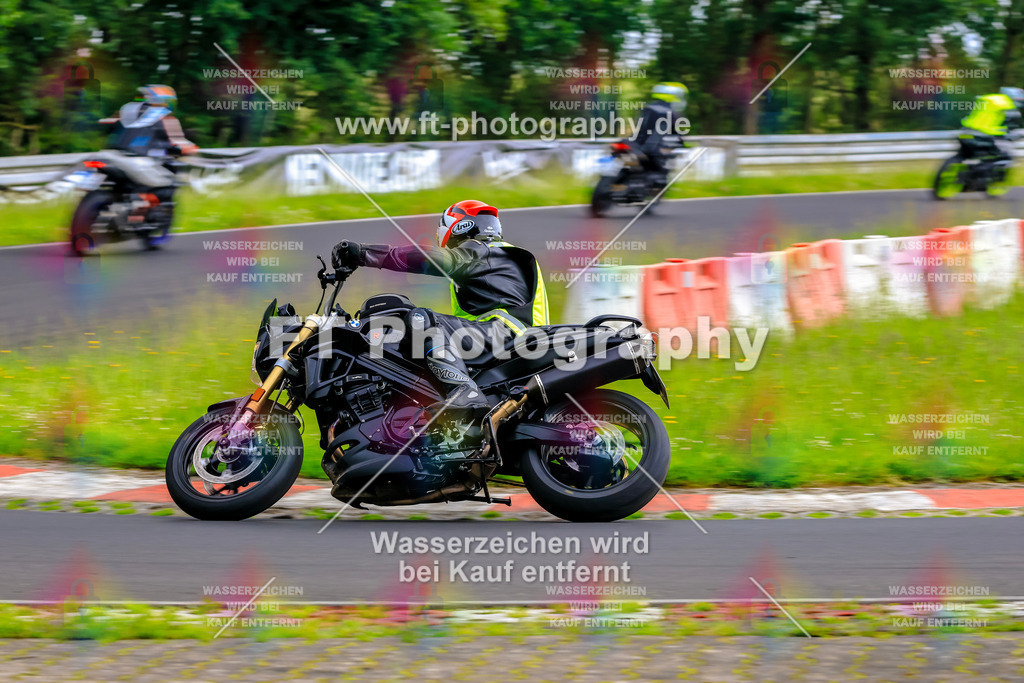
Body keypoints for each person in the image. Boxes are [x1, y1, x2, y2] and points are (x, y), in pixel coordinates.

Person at [331, 200, 549, 423]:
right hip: (504, 342)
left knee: (420, 318)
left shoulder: (481, 251)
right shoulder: (500, 258)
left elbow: (431, 259)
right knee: (424, 341)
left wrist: (364, 254)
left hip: (505, 337)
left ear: (457, 226)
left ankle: (466, 392)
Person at [632, 81, 688, 185]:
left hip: (636, 144)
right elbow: (677, 134)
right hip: (653, 149)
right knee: (663, 165)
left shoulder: (647, 108)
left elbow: (639, 127)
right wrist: (682, 145)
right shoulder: (672, 113)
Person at [959, 87, 1024, 163]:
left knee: (963, 155)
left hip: (966, 131)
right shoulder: (1008, 105)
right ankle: (986, 173)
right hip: (984, 135)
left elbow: (969, 114)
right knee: (1003, 157)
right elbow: (1010, 126)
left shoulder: (987, 98)